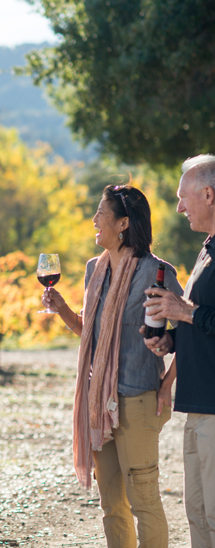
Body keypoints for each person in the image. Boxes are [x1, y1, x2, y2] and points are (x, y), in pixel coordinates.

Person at [42, 184, 182, 548]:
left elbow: (189, 333)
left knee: (144, 501)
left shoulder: (157, 272)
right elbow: (91, 333)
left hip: (138, 399)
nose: (94, 220)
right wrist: (62, 309)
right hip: (98, 402)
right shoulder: (95, 269)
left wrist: (167, 384)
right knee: (112, 505)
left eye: (100, 214)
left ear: (123, 223)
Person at [143, 154, 215, 548]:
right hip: (199, 405)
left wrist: (183, 310)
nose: (179, 208)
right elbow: (201, 323)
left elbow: (196, 314)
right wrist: (169, 340)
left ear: (209, 194)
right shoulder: (207, 249)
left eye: (183, 197)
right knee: (198, 515)